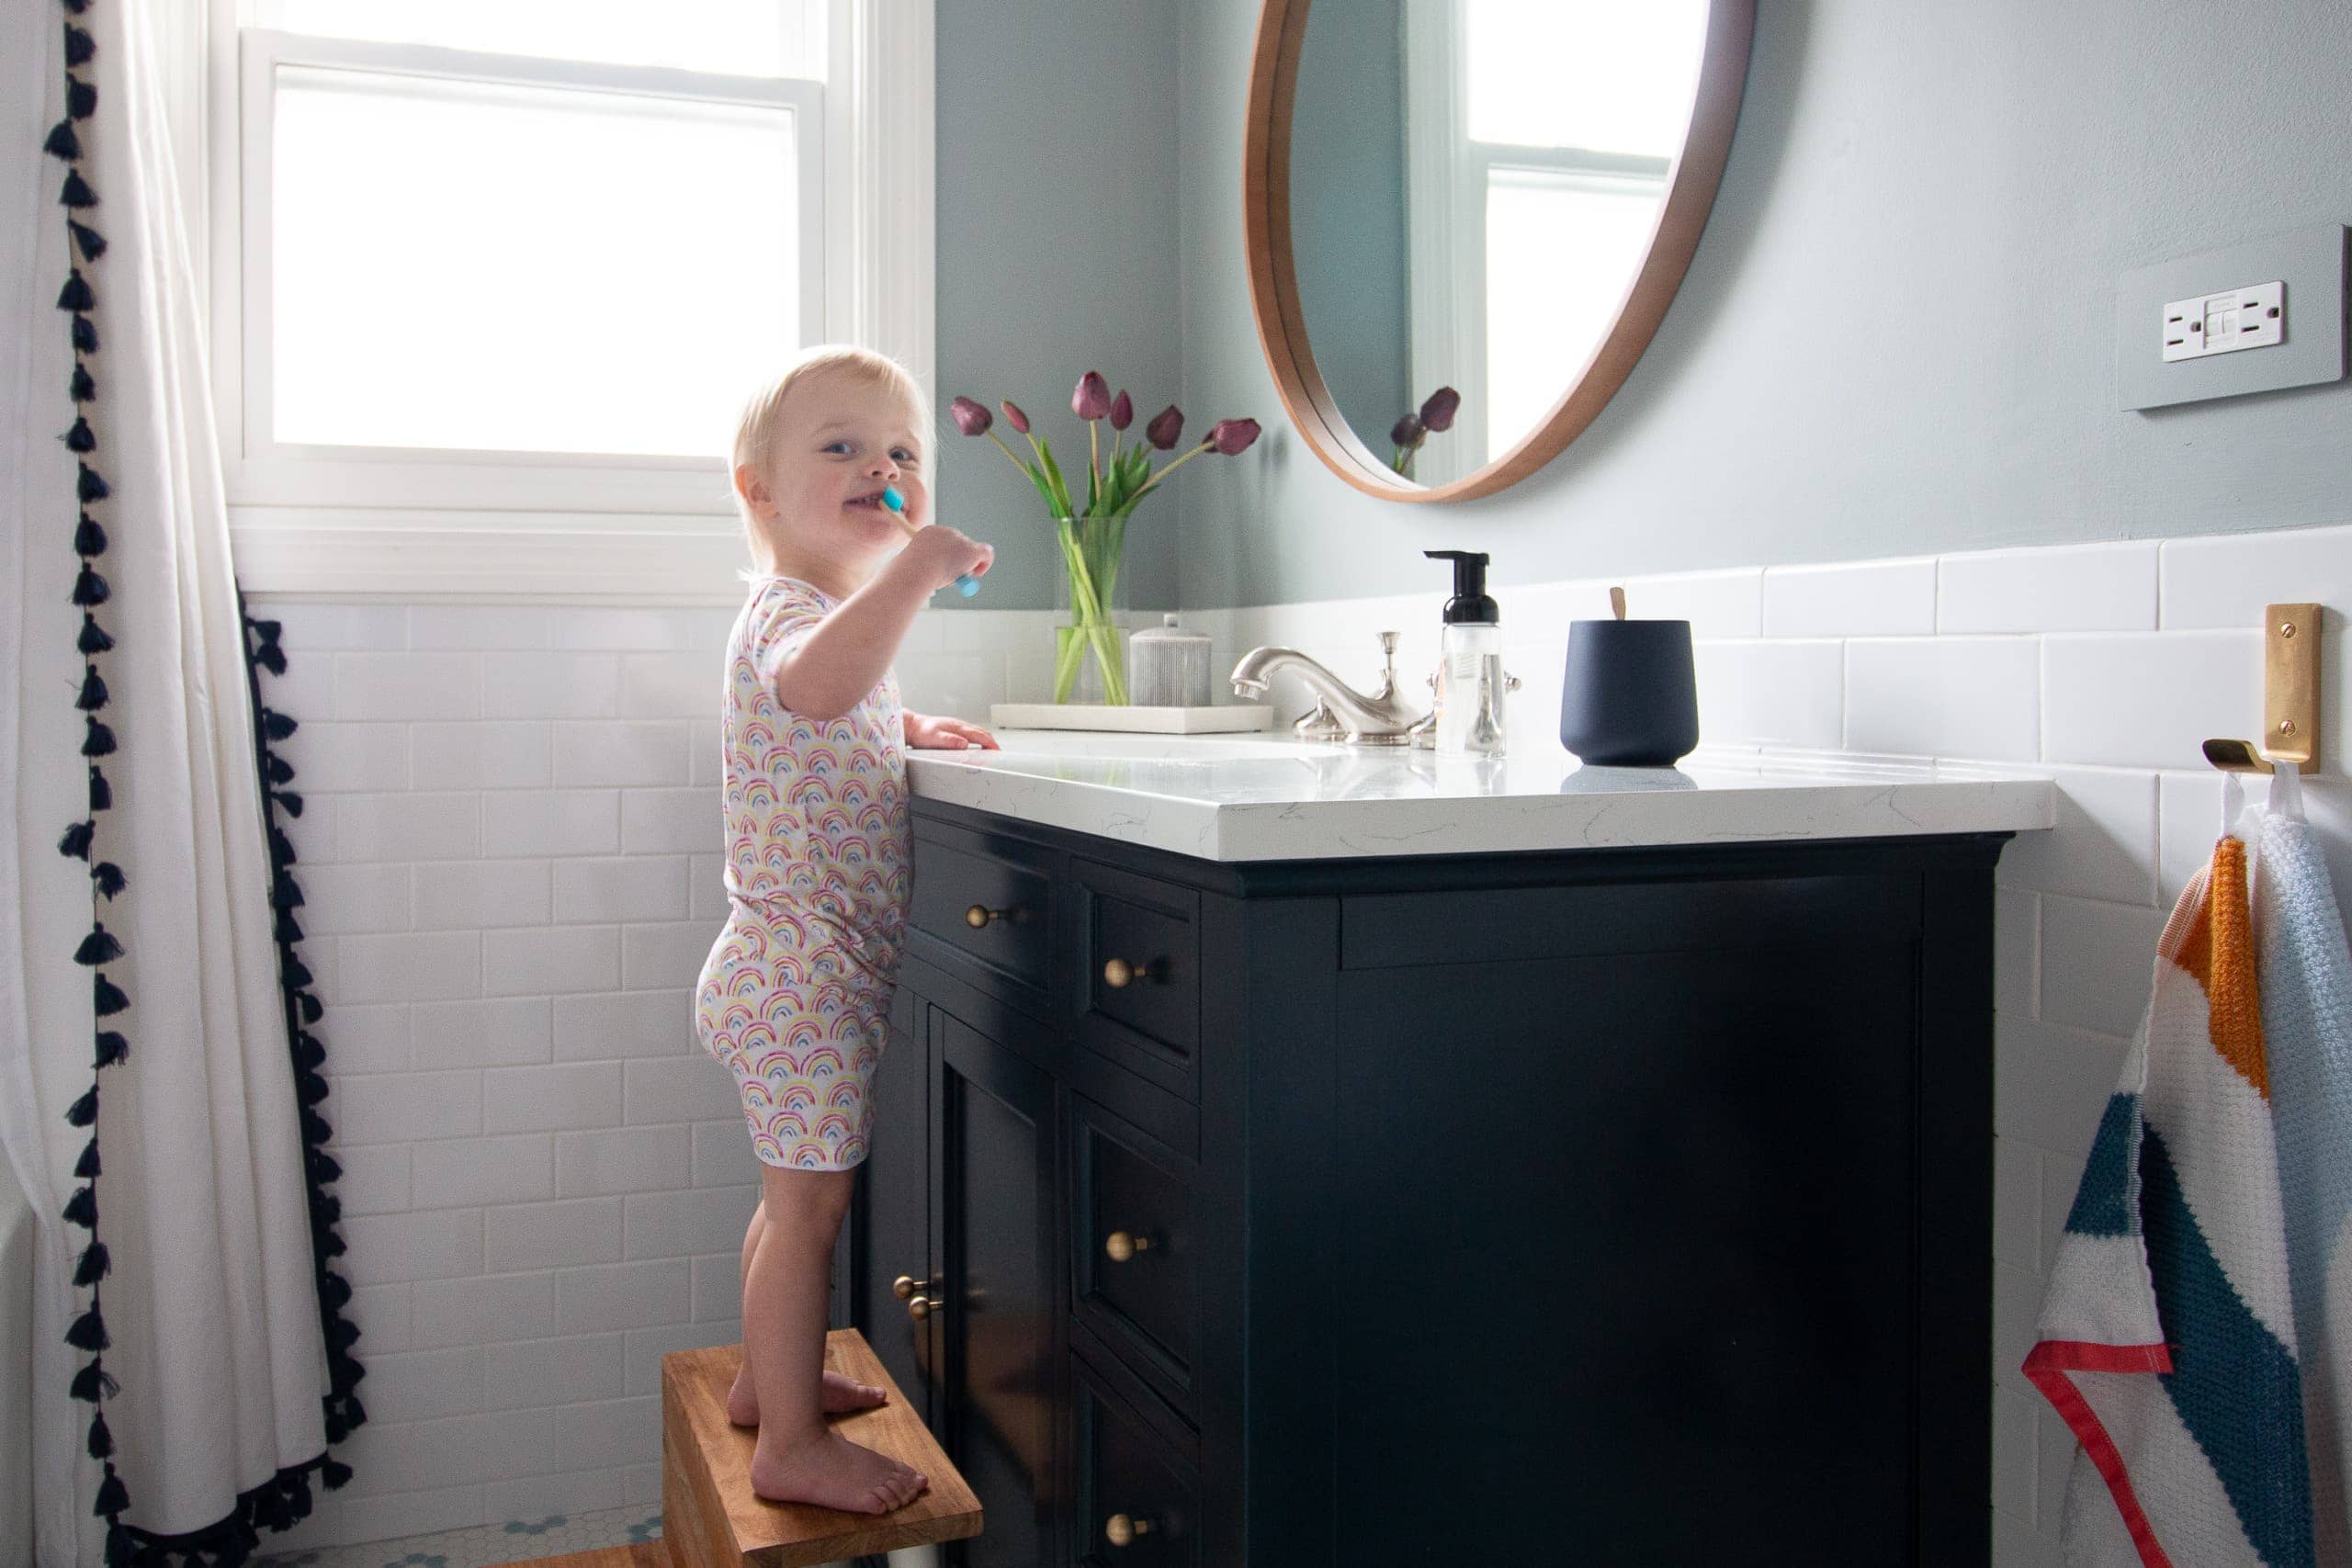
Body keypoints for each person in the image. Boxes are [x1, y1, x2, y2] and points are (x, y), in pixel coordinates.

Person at [694, 345, 995, 1512]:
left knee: (788, 1204)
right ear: (757, 490)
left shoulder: (822, 617)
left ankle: (771, 1387)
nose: (883, 465)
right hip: (797, 980)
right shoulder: (787, 607)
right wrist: (917, 570)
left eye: (903, 453)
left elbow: (831, 705)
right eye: (843, 448)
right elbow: (811, 686)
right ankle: (789, 1449)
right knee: (810, 1211)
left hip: (793, 974)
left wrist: (909, 720)